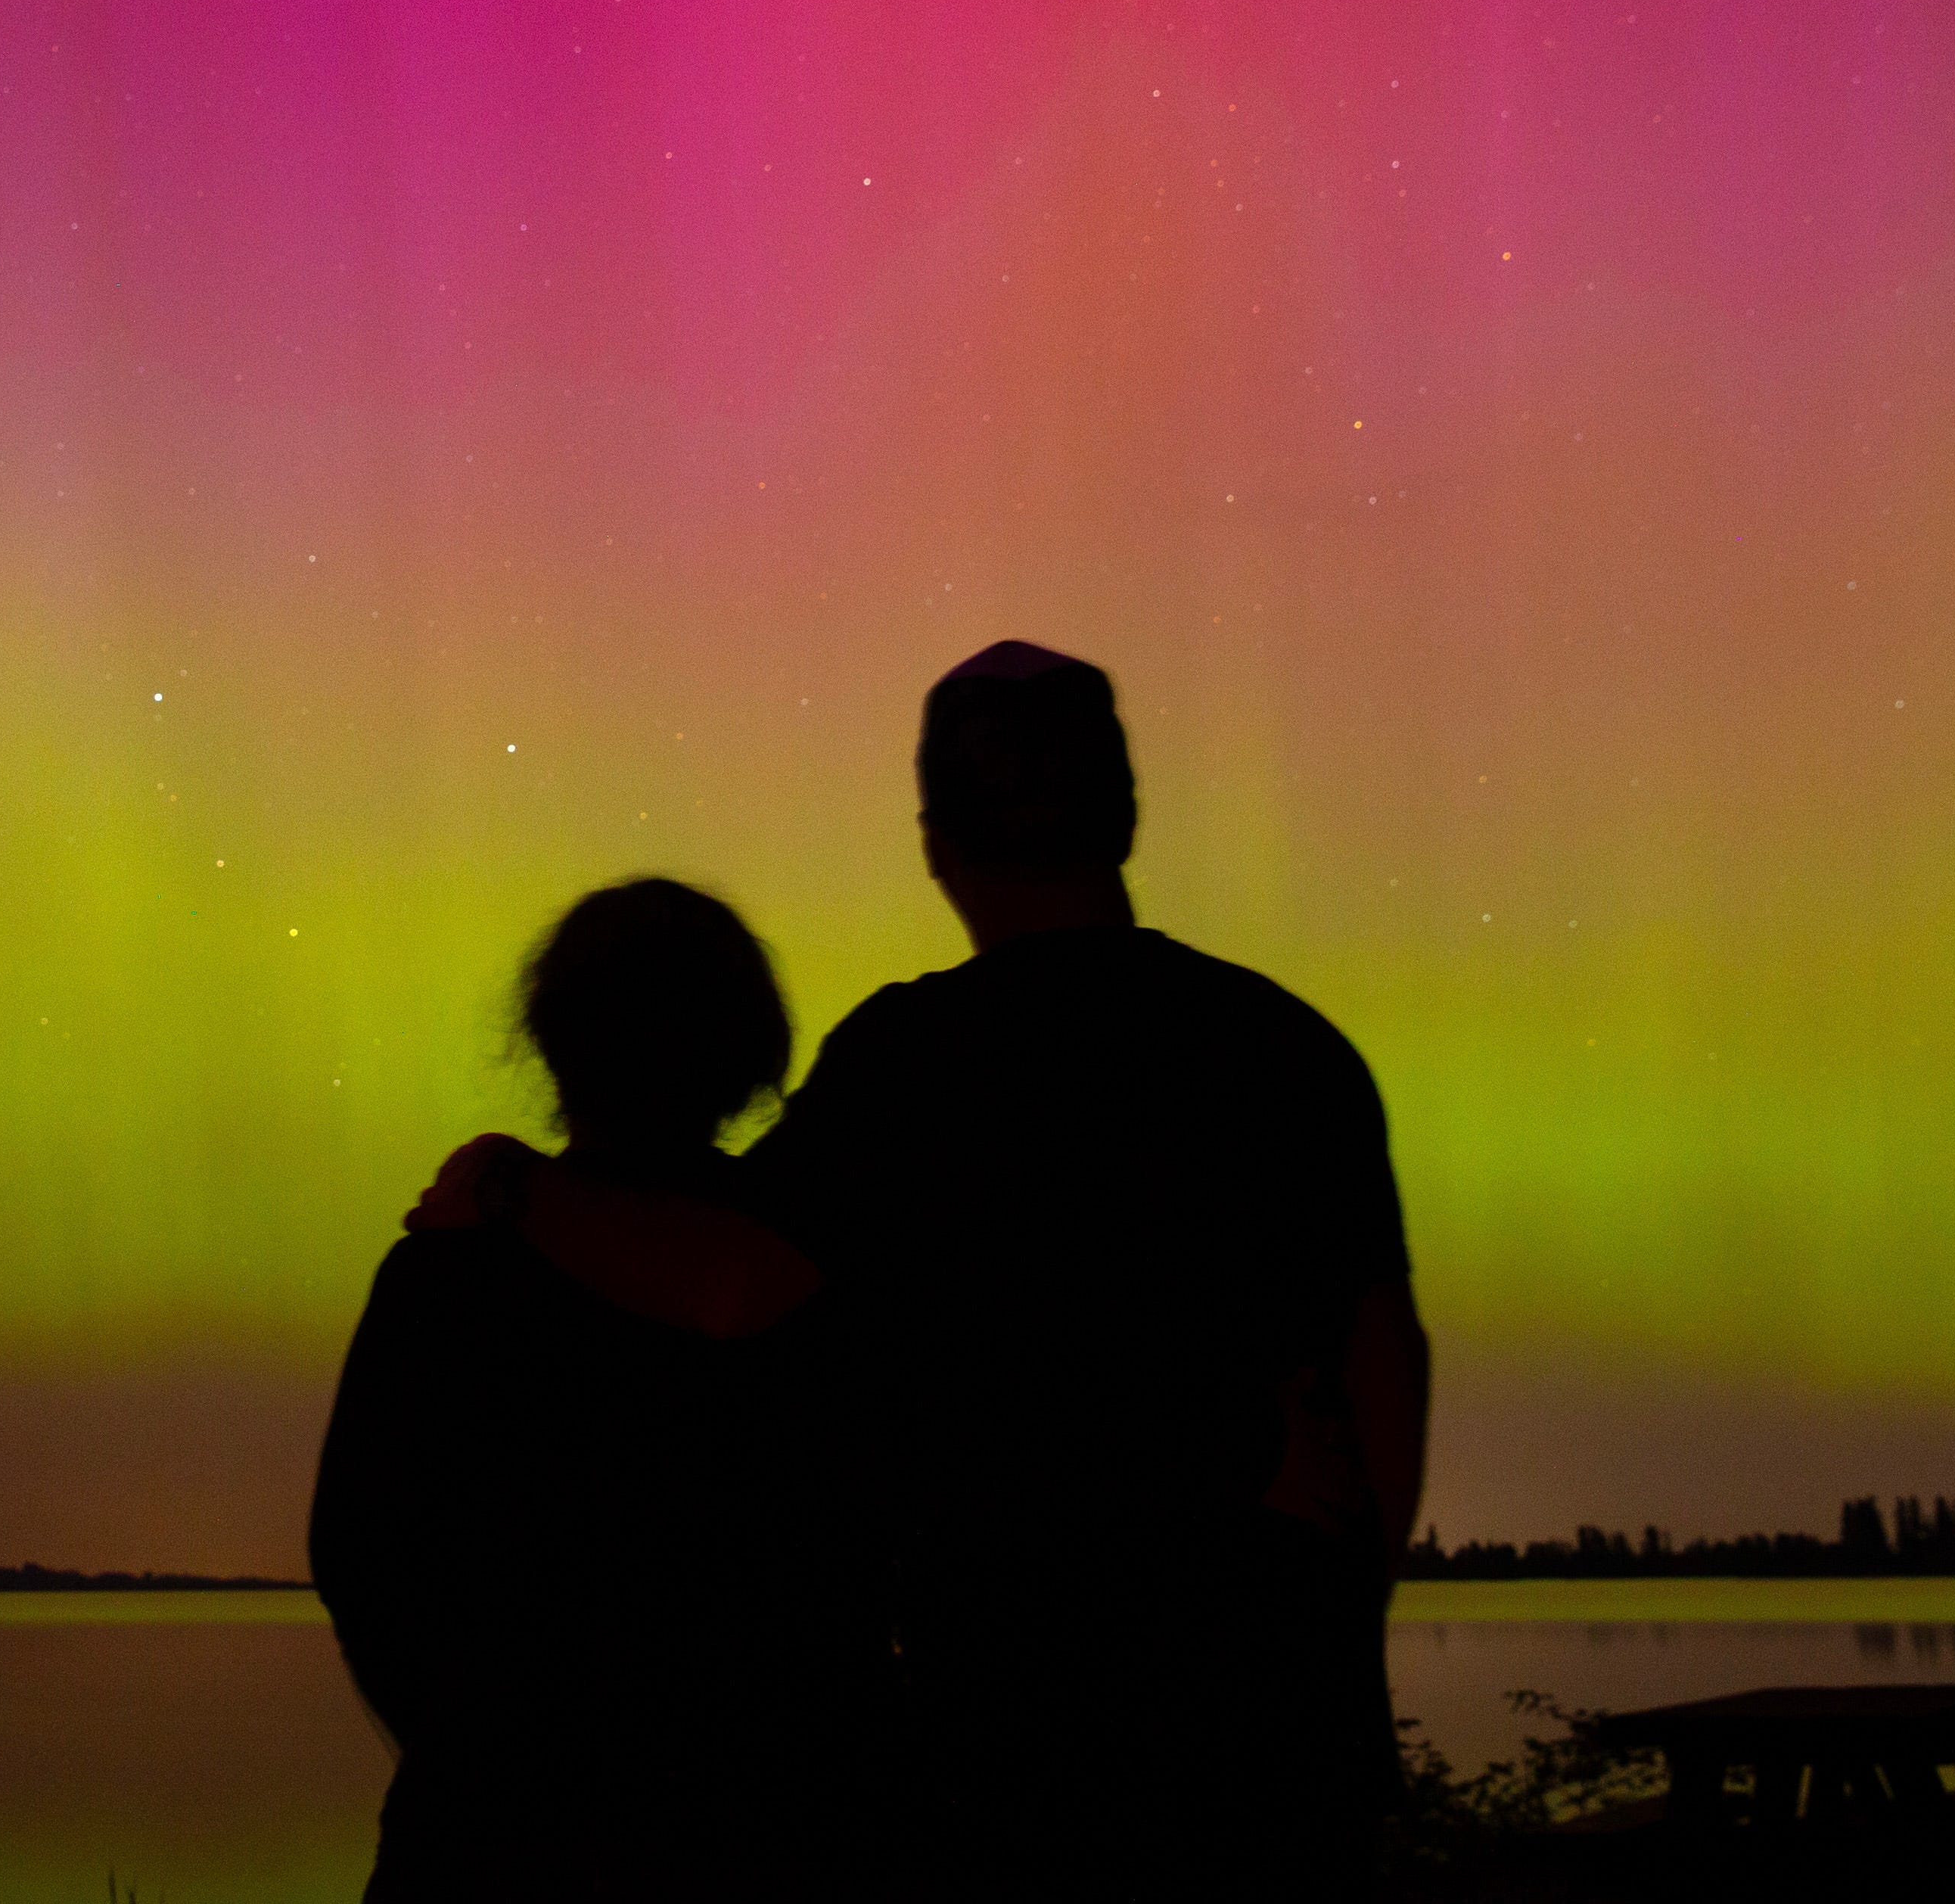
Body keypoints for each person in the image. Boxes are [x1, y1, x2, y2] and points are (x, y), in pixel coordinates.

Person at [417, 643, 1425, 1897]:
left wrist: (514, 1187)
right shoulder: (1288, 1050)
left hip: (1031, 1761)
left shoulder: (915, 1064)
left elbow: (737, 1286)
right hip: (1288, 1749)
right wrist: (1331, 1620)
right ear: (1123, 818)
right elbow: (1385, 1364)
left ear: (938, 840)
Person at [309, 879, 899, 1901]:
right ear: (748, 1053)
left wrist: (474, 1753)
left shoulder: (447, 1274)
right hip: (776, 1836)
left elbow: (361, 1556)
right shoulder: (823, 1275)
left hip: (490, 1843)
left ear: (550, 1042)